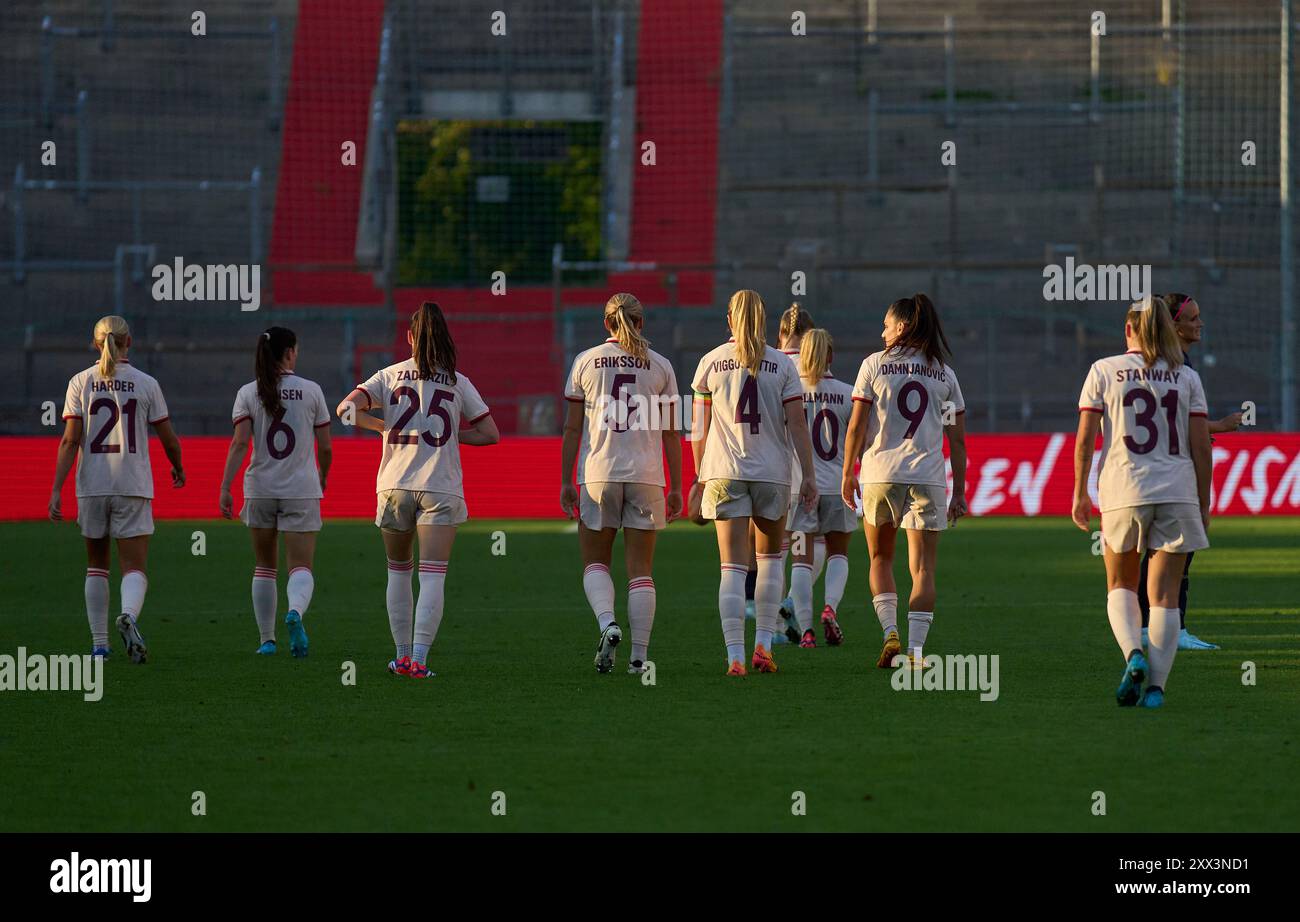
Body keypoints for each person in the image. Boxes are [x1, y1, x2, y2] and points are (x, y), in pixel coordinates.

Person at [336, 302, 499, 679]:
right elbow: (491, 434)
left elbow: (345, 409)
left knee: (398, 572)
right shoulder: (457, 380)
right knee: (433, 576)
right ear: (443, 337)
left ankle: (401, 656)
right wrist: (453, 436)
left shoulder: (389, 375)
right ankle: (420, 661)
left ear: (409, 337)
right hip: (440, 486)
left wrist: (380, 428)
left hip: (394, 483)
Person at [1071, 296, 1213, 709]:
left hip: (1123, 489)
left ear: (1129, 330)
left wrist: (1080, 491)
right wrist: (1203, 503)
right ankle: (1157, 689)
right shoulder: (1186, 377)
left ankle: (1133, 653)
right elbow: (1201, 448)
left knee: (1121, 584)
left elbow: (1085, 439)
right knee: (1165, 596)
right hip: (1177, 491)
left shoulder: (1103, 370)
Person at [689, 290, 817, 676]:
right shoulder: (782, 364)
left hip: (724, 471)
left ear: (729, 319)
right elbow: (797, 425)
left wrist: (699, 475)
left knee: (731, 569)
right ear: (764, 320)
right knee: (771, 563)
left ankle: (735, 658)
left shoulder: (710, 362)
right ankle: (764, 645)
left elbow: (698, 428)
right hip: (772, 475)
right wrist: (808, 475)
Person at [842, 293, 967, 671]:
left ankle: (889, 632)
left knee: (880, 557)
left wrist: (848, 472)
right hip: (928, 478)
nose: (882, 333)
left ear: (902, 326)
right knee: (924, 569)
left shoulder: (873, 366)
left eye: (886, 325)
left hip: (880, 473)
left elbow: (857, 426)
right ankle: (914, 654)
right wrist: (959, 491)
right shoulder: (944, 373)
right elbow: (957, 439)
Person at [49, 315, 184, 662]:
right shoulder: (146, 383)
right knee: (134, 568)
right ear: (130, 342)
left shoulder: (80, 382)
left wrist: (56, 489)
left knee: (96, 566)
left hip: (92, 485)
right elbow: (167, 436)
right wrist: (178, 466)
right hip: (132, 484)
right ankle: (129, 616)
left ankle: (99, 646)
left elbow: (69, 440)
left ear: (95, 344)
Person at [560, 293, 683, 674]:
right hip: (646, 475)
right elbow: (671, 434)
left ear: (606, 324)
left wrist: (566, 480)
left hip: (599, 473)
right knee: (641, 570)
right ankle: (639, 659)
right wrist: (677, 487)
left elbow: (572, 427)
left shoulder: (586, 361)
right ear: (641, 322)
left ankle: (607, 623)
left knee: (595, 562)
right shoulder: (660, 365)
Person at [1136, 291, 1241, 651]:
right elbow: (1183, 425)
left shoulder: (1153, 364)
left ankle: (1146, 627)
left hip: (1148, 471)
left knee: (1153, 553)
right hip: (1175, 471)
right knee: (1177, 553)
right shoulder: (1180, 368)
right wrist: (1221, 427)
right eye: (1193, 319)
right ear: (1175, 326)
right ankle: (1170, 629)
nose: (1200, 324)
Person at [219, 327, 332, 657]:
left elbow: (240, 443)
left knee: (264, 567)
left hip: (260, 488)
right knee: (300, 567)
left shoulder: (247, 393)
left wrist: (226, 486)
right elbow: (325, 446)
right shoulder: (311, 391)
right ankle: (294, 612)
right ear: (290, 353)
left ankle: (267, 641)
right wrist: (322, 476)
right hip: (301, 488)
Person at [787, 329, 856, 647]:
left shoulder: (790, 392)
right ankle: (830, 609)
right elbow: (862, 442)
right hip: (837, 488)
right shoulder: (848, 393)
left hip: (803, 489)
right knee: (838, 554)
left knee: (800, 559)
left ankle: (807, 632)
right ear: (830, 356)